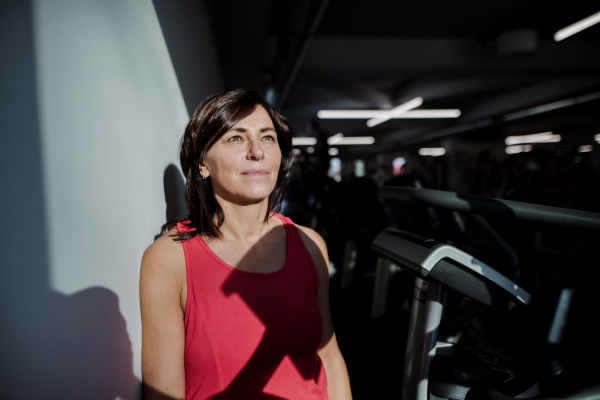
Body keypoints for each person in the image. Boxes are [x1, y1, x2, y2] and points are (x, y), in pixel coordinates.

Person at [140, 89, 352, 400]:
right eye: (235, 138)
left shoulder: (310, 244)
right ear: (202, 164)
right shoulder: (169, 259)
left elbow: (329, 355)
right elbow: (163, 393)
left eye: (268, 138)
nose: (257, 151)